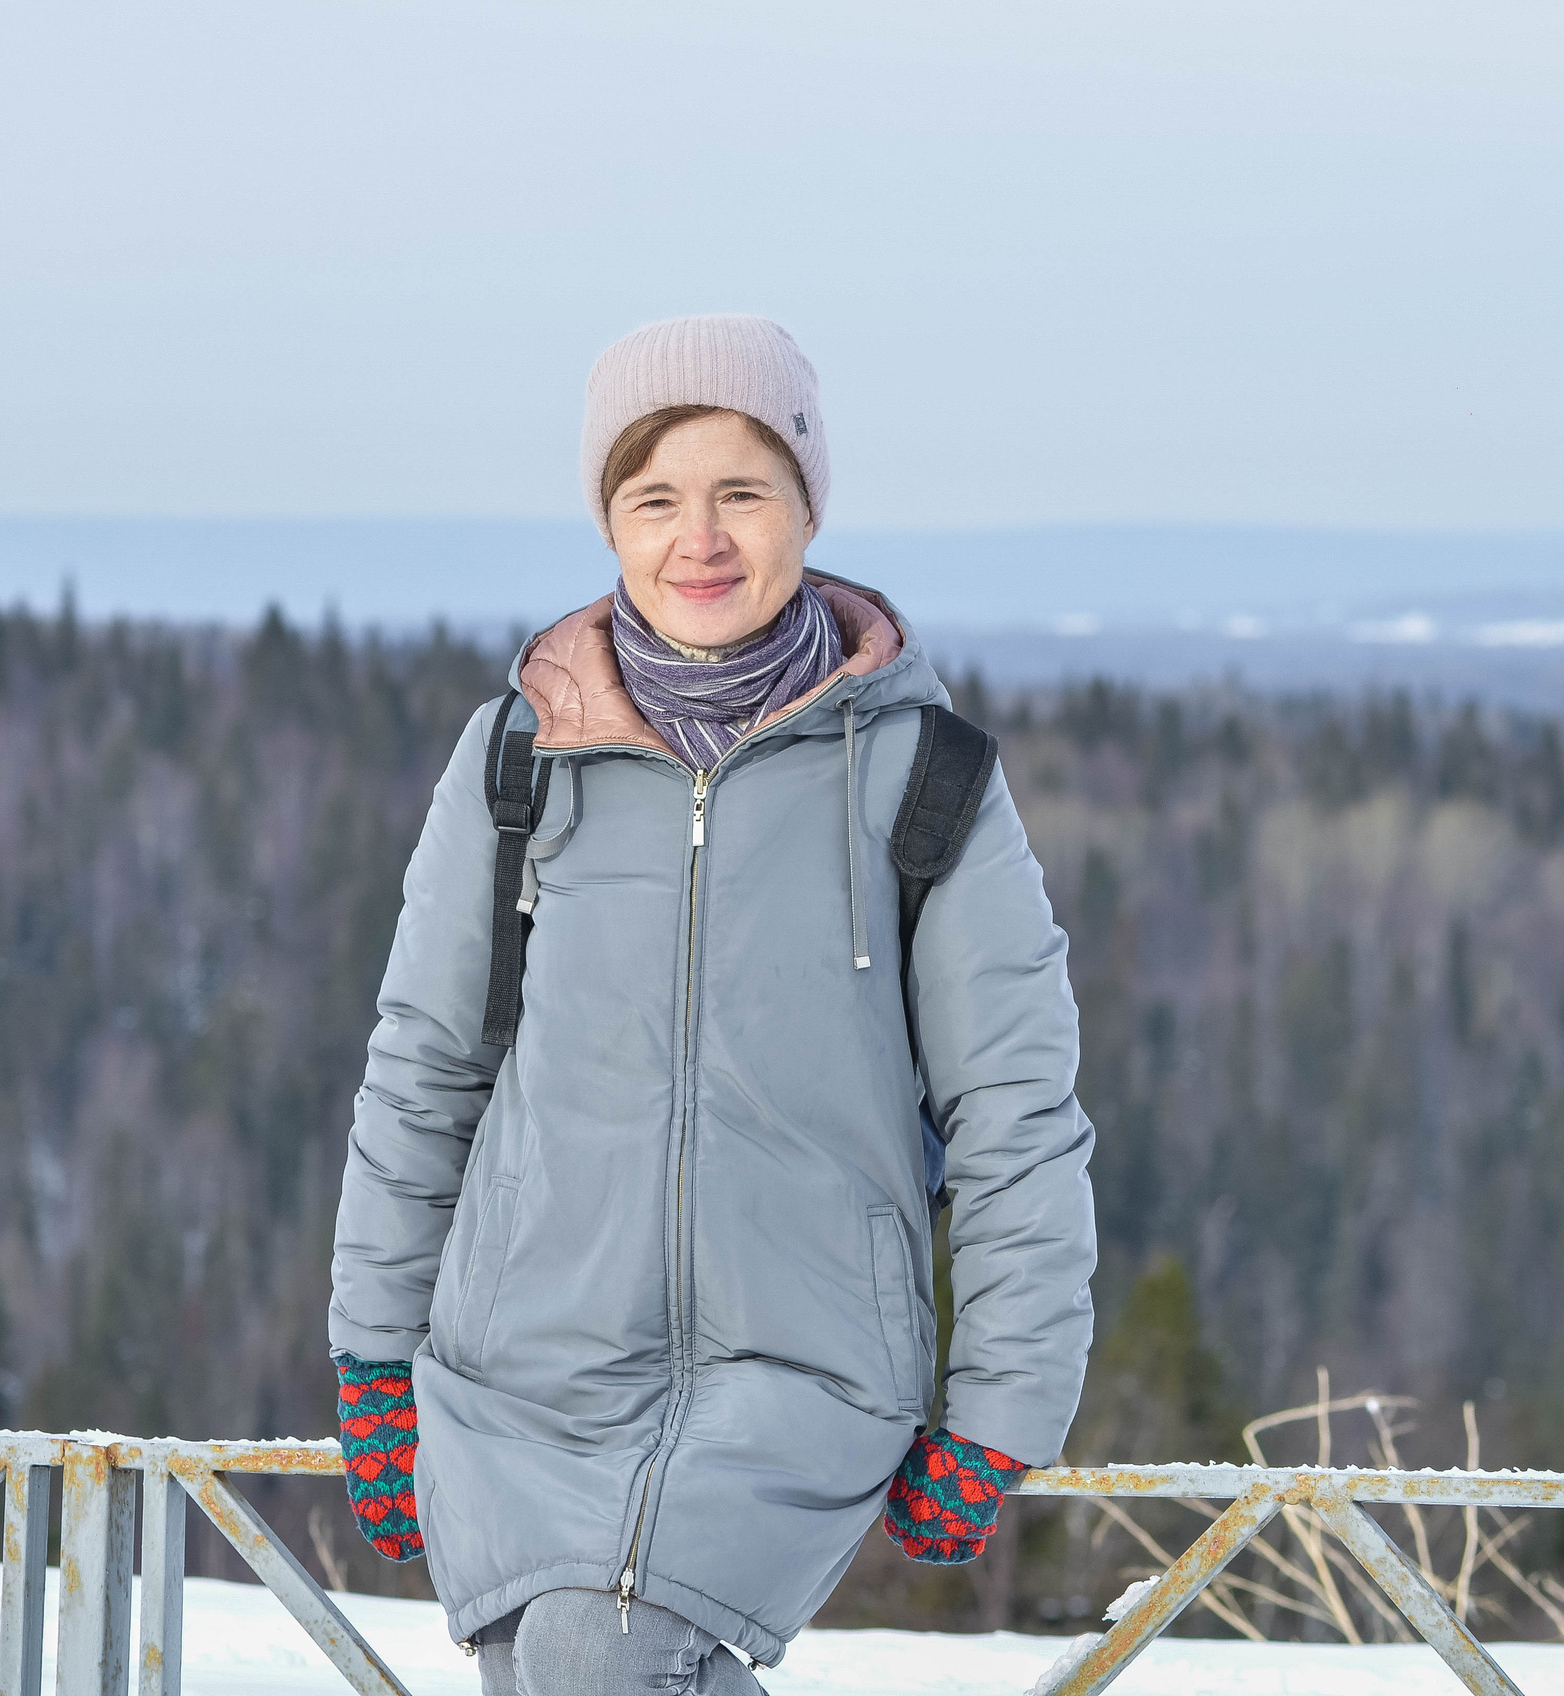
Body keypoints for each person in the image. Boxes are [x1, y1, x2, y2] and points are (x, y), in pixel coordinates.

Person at [327, 315, 1097, 1694]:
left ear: (806, 503)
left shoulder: (925, 776)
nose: (702, 537)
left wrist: (1003, 1405)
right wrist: (374, 1355)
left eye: (743, 489)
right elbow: (426, 1063)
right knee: (561, 1663)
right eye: (654, 498)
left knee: (599, 1648)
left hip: (792, 1380)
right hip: (518, 1371)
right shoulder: (517, 760)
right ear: (607, 521)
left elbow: (1016, 1113)